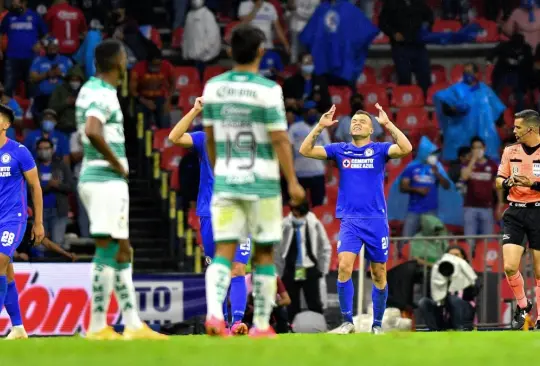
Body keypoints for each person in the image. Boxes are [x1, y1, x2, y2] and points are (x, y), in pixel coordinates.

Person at [201, 24, 305, 337]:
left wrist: (221, 169)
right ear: (261, 51)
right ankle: (260, 325)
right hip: (261, 183)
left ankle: (214, 317)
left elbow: (209, 137)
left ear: (230, 52)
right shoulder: (268, 90)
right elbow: (280, 139)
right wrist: (293, 181)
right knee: (261, 255)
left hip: (228, 180)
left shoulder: (214, 87)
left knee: (222, 252)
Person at [76, 39, 167, 340]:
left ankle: (132, 324)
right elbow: (92, 129)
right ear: (117, 61)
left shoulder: (94, 89)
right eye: (125, 54)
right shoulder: (102, 93)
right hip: (104, 179)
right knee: (108, 248)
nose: (128, 59)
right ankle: (97, 325)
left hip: (103, 180)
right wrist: (117, 163)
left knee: (123, 248)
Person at [299, 103, 413, 334]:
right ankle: (347, 322)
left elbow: (406, 147)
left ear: (371, 130)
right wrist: (320, 127)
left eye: (362, 122)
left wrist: (388, 124)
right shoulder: (340, 149)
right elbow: (305, 150)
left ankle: (377, 325)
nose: (356, 123)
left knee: (379, 272)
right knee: (344, 267)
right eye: (353, 121)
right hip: (350, 220)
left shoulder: (380, 149)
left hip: (376, 220)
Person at [168, 97, 253, 336]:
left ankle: (237, 323)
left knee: (237, 268)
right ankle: (221, 323)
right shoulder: (205, 139)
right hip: (210, 213)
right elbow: (174, 137)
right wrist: (195, 110)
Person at [0, 104, 45, 340]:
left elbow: (36, 186)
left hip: (13, 218)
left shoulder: (19, 151)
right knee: (6, 271)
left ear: (6, 125)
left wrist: (38, 222)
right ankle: (18, 327)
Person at [496, 109, 540, 330]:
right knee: (510, 266)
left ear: (531, 129)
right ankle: (523, 305)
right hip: (515, 211)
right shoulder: (510, 150)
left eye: (518, 127)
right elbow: (498, 180)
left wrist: (530, 184)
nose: (514, 130)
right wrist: (508, 183)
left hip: (539, 211)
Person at [276, 200, 331, 322]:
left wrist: (322, 269)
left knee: (314, 301)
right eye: (296, 214)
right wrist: (279, 272)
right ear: (292, 211)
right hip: (290, 268)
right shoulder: (284, 225)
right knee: (291, 303)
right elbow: (277, 250)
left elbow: (325, 247)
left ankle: (318, 326)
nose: (299, 217)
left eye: (302, 214)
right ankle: (291, 327)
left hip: (310, 267)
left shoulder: (314, 223)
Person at [400, 139, 451, 240]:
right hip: (414, 210)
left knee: (431, 240)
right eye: (432, 154)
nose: (434, 156)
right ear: (424, 153)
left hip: (431, 210)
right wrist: (417, 190)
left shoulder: (437, 169)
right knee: (406, 239)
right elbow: (403, 187)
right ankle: (403, 255)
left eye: (435, 154)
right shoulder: (411, 168)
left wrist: (437, 173)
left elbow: (447, 185)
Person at [418, 246, 478, 331]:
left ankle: (460, 329)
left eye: (457, 255)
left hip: (463, 311)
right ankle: (435, 331)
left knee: (453, 299)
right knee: (423, 302)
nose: (453, 258)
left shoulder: (469, 271)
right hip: (442, 310)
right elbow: (431, 293)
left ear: (463, 258)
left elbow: (475, 290)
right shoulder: (438, 272)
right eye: (450, 255)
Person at [460, 136, 501, 256]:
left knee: (488, 241)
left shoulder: (492, 165)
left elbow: (497, 186)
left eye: (480, 147)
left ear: (485, 148)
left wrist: (499, 205)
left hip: (487, 208)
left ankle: (486, 267)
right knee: (469, 241)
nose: (478, 150)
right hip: (470, 208)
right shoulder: (467, 164)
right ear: (471, 150)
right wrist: (473, 160)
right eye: (475, 148)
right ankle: (469, 265)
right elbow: (464, 177)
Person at [0, 0, 48, 97]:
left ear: (24, 3)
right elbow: (0, 32)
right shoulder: (9, 16)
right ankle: (7, 110)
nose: (13, 4)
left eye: (16, 2)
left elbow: (46, 34)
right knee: (9, 86)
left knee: (32, 85)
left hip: (31, 57)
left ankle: (31, 110)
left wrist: (41, 43)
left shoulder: (35, 16)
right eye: (12, 2)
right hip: (12, 57)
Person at [288, 100, 330, 207]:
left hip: (318, 173)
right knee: (299, 206)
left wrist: (329, 171)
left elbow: (328, 151)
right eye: (310, 112)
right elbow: (288, 149)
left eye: (314, 112)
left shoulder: (322, 129)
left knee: (318, 206)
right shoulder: (294, 128)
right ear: (304, 113)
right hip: (299, 174)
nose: (313, 114)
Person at [36, 137, 72, 247]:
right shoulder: (32, 167)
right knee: (40, 244)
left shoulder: (62, 166)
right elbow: (28, 190)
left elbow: (70, 187)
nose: (44, 151)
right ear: (37, 151)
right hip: (39, 213)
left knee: (57, 243)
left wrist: (58, 185)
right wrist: (49, 186)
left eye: (46, 148)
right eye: (41, 149)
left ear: (52, 149)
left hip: (59, 211)